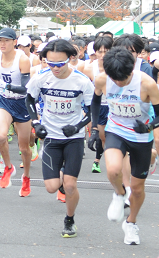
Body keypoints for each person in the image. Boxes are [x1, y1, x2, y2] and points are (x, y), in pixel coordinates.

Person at [88, 47, 159, 245]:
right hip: (116, 130)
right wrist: (94, 129)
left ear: (131, 69)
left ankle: (131, 223)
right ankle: (119, 194)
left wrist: (149, 127)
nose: (118, 83)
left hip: (140, 137)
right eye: (115, 79)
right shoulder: (102, 79)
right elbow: (94, 102)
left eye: (123, 79)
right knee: (113, 170)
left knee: (137, 189)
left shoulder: (147, 84)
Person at [25, 39, 95, 238]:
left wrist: (78, 126)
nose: (54, 68)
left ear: (71, 59)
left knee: (71, 185)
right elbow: (29, 98)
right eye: (50, 63)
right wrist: (35, 122)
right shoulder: (41, 77)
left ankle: (70, 219)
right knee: (51, 187)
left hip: (73, 137)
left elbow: (93, 111)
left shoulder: (81, 81)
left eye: (59, 64)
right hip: (51, 137)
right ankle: (63, 177)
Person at [0, 28, 33, 196]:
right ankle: (8, 167)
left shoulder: (22, 60)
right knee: (0, 136)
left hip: (21, 103)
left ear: (14, 42)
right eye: (0, 40)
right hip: (4, 101)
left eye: (6, 40)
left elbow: (25, 89)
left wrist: (5, 85)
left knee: (24, 147)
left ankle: (27, 177)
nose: (2, 44)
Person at [83, 35, 113, 173]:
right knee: (102, 136)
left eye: (106, 51)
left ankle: (109, 161)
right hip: (98, 106)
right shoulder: (89, 68)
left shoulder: (116, 66)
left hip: (113, 106)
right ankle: (99, 159)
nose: (102, 55)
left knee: (112, 136)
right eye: (100, 52)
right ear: (95, 52)